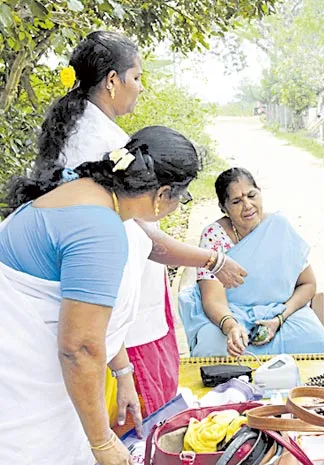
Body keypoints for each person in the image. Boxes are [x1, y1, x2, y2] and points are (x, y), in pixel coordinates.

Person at [35, 31, 247, 424]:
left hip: (112, 314)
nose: (141, 87)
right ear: (112, 81)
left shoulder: (90, 133)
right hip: (115, 328)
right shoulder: (104, 153)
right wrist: (214, 260)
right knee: (136, 425)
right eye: (137, 76)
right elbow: (149, 241)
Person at [0, 126, 199, 465]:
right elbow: (79, 347)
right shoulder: (100, 228)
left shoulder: (81, 190)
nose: (178, 205)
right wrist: (102, 442)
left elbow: (87, 316)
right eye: (182, 196)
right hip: (26, 408)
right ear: (163, 194)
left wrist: (123, 374)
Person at [179, 168, 324, 357]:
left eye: (252, 195)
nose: (248, 205)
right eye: (236, 201)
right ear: (223, 207)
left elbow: (308, 284)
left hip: (280, 312)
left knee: (312, 338)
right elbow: (213, 298)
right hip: (230, 315)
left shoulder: (278, 227)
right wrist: (231, 326)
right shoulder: (214, 236)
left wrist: (279, 319)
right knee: (213, 348)